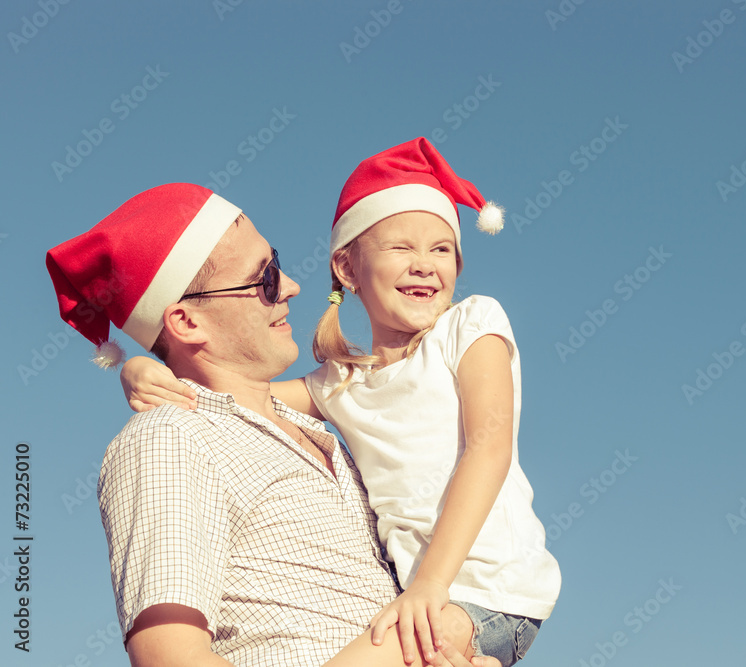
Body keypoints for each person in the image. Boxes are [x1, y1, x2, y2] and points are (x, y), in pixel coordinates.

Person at [121, 139, 561, 667]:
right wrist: (145, 366)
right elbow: (228, 393)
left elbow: (488, 448)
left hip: (487, 588)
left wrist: (427, 586)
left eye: (442, 249)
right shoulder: (338, 387)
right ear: (348, 270)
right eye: (402, 248)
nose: (425, 265)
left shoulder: (472, 326)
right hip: (427, 596)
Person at [46, 183, 498, 667]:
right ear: (186, 322)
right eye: (264, 279)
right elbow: (169, 658)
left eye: (275, 264)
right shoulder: (170, 437)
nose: (291, 287)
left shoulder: (322, 431)